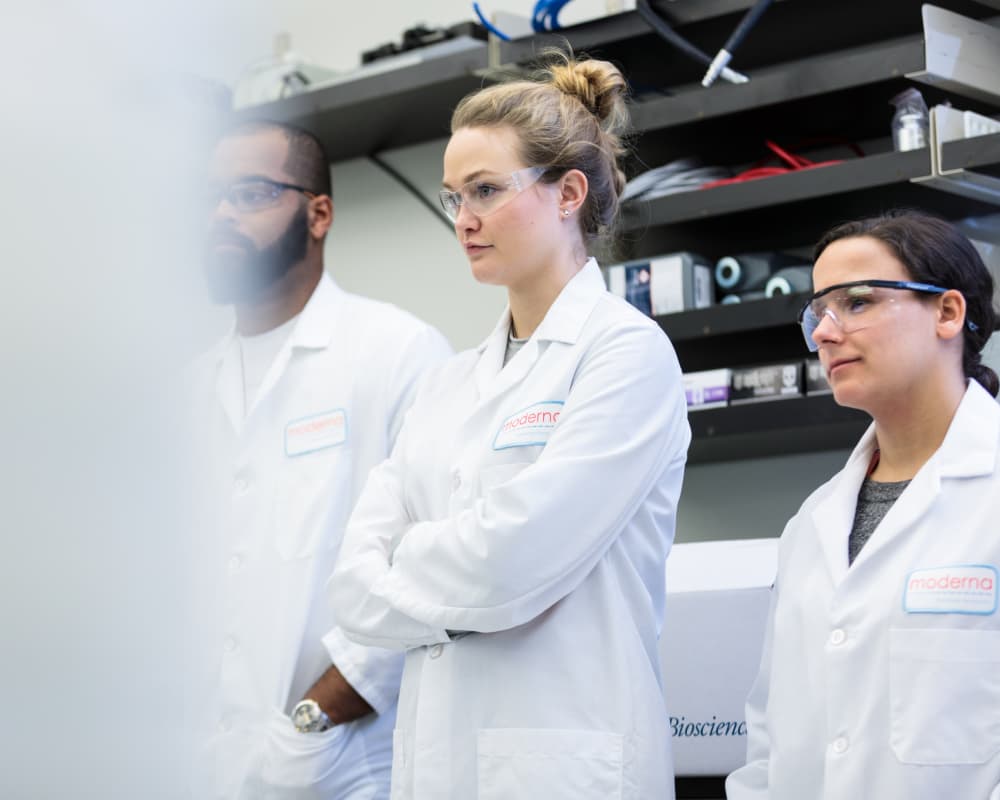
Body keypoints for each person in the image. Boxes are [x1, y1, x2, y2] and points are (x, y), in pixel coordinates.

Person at [328, 53, 691, 799]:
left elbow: (513, 562)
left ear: (569, 193)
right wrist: (465, 586)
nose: (463, 219)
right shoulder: (446, 383)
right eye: (454, 197)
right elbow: (353, 591)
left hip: (566, 762)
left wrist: (415, 562)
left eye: (487, 191)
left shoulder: (625, 354)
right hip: (439, 763)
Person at [196, 120, 451, 799]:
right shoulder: (186, 389)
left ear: (319, 214)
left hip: (337, 767)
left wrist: (314, 719)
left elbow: (427, 575)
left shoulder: (397, 354)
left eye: (251, 193)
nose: (222, 213)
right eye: (212, 196)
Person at [726, 210, 1000, 799]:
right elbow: (772, 741)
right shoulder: (813, 524)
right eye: (817, 311)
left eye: (857, 302)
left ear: (948, 313)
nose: (824, 332)